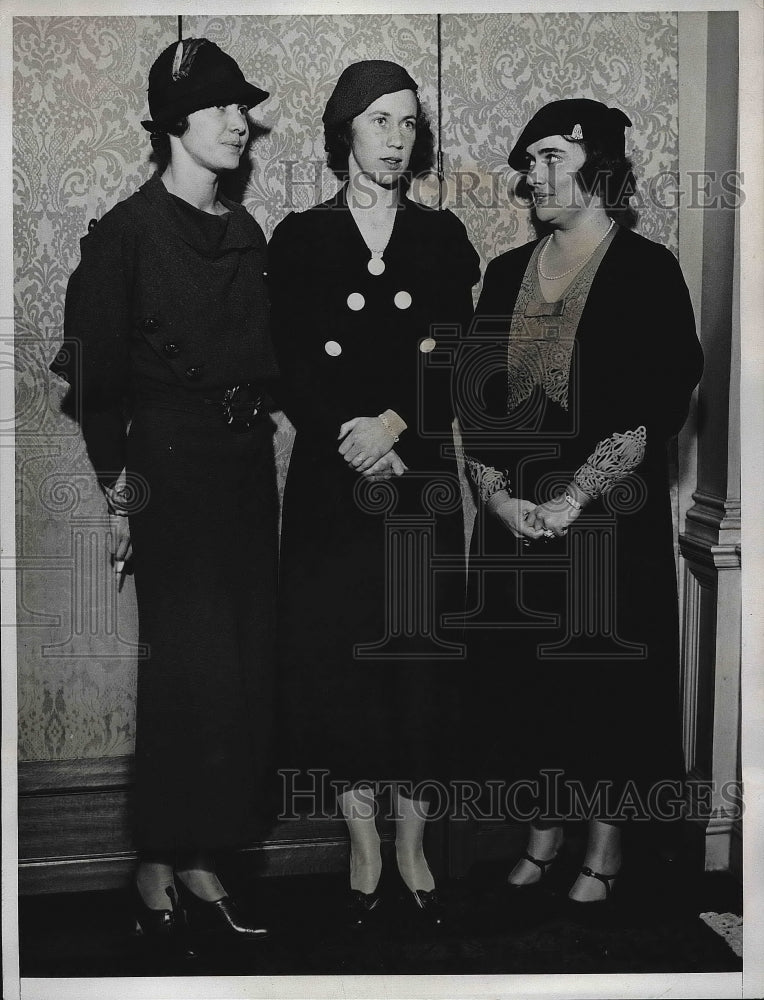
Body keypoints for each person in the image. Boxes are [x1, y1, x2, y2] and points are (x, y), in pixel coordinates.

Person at [50, 38, 279, 945]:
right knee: (188, 673)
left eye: (242, 110)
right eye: (222, 107)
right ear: (172, 124)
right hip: (168, 474)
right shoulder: (123, 235)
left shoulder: (248, 232)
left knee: (244, 671)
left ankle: (202, 854)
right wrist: (121, 494)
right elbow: (96, 384)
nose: (239, 123)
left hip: (244, 470)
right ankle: (157, 857)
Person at [456, 99, 703, 905]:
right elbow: (477, 404)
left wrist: (573, 500)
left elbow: (661, 401)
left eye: (550, 157)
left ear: (599, 170)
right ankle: (541, 834)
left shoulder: (647, 270)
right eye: (528, 161)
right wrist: (497, 499)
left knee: (602, 688)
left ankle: (605, 846)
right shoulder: (502, 273)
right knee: (523, 685)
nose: (533, 175)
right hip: (515, 520)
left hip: (604, 519)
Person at [268, 60, 480, 926]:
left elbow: (455, 350)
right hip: (330, 486)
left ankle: (412, 847)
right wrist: (349, 437)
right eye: (380, 120)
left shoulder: (441, 238)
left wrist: (395, 425)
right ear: (344, 130)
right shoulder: (299, 237)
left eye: (409, 123)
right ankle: (361, 851)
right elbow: (286, 359)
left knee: (418, 666)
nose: (397, 138)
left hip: (419, 479)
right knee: (340, 663)